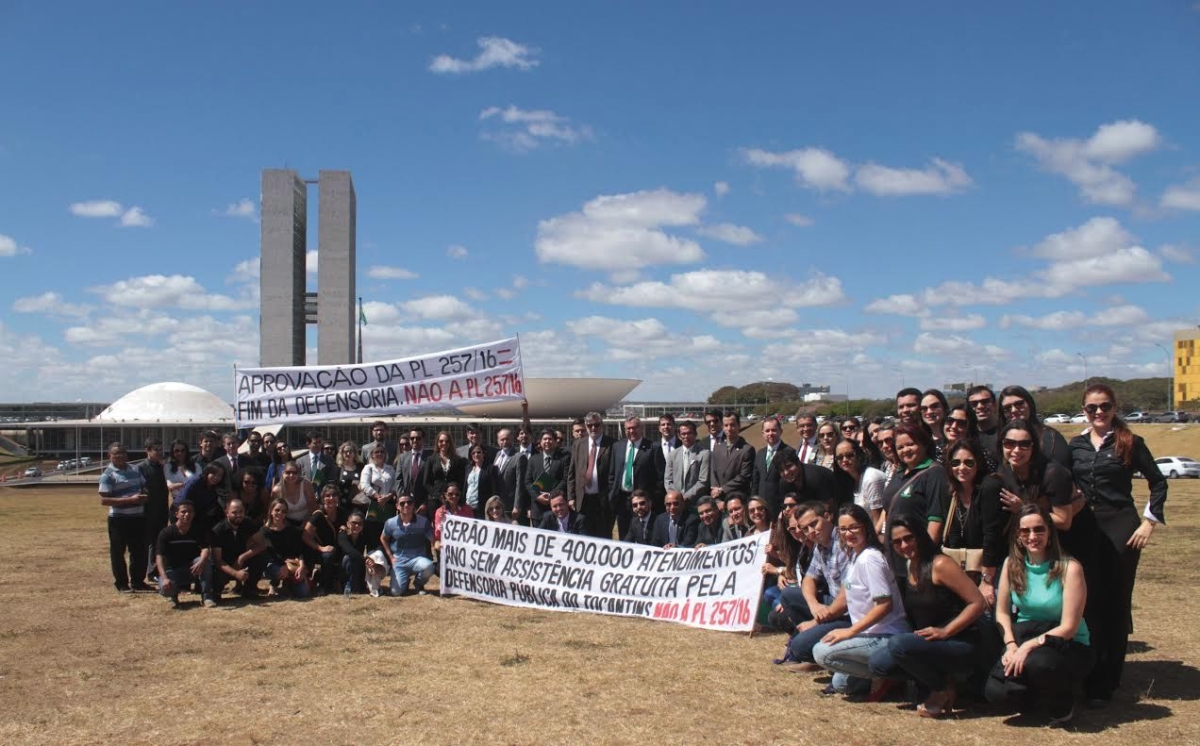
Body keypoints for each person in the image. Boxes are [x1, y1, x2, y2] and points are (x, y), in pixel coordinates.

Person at [1070, 383, 1167, 704]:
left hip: (1121, 530)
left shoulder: (1129, 442)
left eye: (1105, 406)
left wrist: (1148, 523)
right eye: (1092, 408)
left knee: (1114, 605)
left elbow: (1158, 482)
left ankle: (1107, 682)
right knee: (1087, 603)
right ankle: (1085, 673)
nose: (1099, 413)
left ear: (1115, 408)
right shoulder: (1077, 445)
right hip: (1085, 531)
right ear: (1084, 410)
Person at [985, 504, 1092, 727]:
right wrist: (1012, 645)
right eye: (1025, 531)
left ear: (1050, 532)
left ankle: (1063, 704)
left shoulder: (1069, 568)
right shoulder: (1010, 564)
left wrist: (1027, 647)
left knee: (1040, 665)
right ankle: (1036, 697)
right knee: (996, 692)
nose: (1032, 536)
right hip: (1024, 635)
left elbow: (1069, 627)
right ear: (1017, 535)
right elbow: (1002, 612)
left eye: (1039, 529)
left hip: (1065, 644)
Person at [871, 516, 987, 718]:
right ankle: (941, 680)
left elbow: (978, 602)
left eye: (909, 538)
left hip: (960, 641)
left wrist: (946, 631)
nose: (904, 545)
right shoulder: (909, 567)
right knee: (878, 663)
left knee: (899, 646)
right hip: (931, 642)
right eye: (897, 542)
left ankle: (940, 689)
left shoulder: (940, 564)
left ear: (920, 536)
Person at [980, 419, 1093, 609]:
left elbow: (1064, 521)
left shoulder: (1053, 473)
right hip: (1023, 551)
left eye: (1024, 444)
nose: (1016, 450)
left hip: (1057, 550)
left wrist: (1023, 508)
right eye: (1009, 443)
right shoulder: (1004, 473)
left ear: (1034, 447)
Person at [812, 504, 910, 697]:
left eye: (854, 527)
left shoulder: (870, 559)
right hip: (868, 635)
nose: (848, 534)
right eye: (843, 529)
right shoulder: (856, 555)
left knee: (821, 652)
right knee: (841, 684)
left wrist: (849, 632)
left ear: (865, 526)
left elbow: (884, 604)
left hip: (886, 635)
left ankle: (895, 674)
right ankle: (882, 675)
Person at [780, 502, 852, 667]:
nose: (811, 532)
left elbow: (848, 595)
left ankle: (826, 656)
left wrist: (816, 622)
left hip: (851, 614)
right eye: (805, 529)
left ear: (827, 517)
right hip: (832, 607)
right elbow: (808, 579)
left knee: (799, 646)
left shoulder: (843, 543)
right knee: (788, 594)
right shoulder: (821, 546)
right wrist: (814, 606)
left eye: (814, 524)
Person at [880, 421, 950, 564]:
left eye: (911, 444)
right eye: (900, 447)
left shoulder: (934, 472)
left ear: (923, 444)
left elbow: (936, 518)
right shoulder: (899, 472)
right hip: (895, 556)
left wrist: (923, 559)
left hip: (917, 557)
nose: (905, 450)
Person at [98, 442, 149, 592]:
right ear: (110, 456)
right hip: (119, 519)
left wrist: (145, 495)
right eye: (116, 453)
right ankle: (121, 583)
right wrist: (130, 500)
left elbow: (144, 486)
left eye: (122, 453)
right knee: (118, 553)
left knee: (139, 551)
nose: (120, 456)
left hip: (138, 517)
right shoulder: (108, 475)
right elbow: (104, 500)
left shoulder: (135, 469)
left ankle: (138, 582)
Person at [941, 439, 988, 583]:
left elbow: (992, 537)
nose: (962, 468)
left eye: (969, 463)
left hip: (984, 572)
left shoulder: (986, 491)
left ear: (978, 464)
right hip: (955, 575)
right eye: (955, 463)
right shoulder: (949, 495)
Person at [154, 500, 215, 609]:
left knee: (206, 561)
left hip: (193, 570)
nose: (187, 514)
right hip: (172, 572)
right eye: (183, 512)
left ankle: (207, 597)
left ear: (194, 514)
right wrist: (164, 578)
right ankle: (173, 598)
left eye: (190, 511)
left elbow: (206, 549)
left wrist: (201, 561)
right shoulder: (166, 533)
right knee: (165, 589)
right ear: (176, 514)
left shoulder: (198, 530)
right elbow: (159, 557)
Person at [609, 416, 662, 539]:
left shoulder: (652, 447)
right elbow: (612, 473)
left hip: (643, 502)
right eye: (628, 428)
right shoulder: (617, 446)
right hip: (622, 500)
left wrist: (652, 499)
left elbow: (660, 476)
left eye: (634, 428)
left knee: (645, 535)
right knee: (624, 535)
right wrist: (612, 492)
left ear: (641, 428)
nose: (631, 431)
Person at [999, 385, 1071, 469]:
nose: (1013, 410)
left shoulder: (1051, 438)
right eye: (1007, 408)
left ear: (1029, 404)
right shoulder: (1000, 438)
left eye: (1019, 404)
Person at [211, 498, 266, 601]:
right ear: (226, 512)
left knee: (261, 556)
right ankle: (216, 591)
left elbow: (262, 544)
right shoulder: (218, 530)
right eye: (234, 512)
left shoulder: (248, 523)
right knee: (217, 574)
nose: (239, 515)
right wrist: (235, 573)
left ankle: (249, 589)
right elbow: (218, 560)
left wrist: (243, 557)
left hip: (242, 561)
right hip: (225, 564)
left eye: (241, 512)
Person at [570, 412, 614, 537]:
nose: (593, 428)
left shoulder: (612, 444)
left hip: (603, 500)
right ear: (586, 426)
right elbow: (572, 472)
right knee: (583, 535)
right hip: (583, 499)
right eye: (590, 425)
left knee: (603, 535)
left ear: (602, 425)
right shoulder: (578, 444)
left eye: (596, 425)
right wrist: (571, 497)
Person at [381, 495, 435, 596]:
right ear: (397, 506)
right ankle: (404, 583)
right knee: (395, 592)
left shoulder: (423, 522)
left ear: (413, 505)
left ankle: (418, 584)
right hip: (399, 560)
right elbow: (383, 538)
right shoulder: (390, 522)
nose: (406, 505)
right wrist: (391, 557)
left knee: (429, 566)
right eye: (402, 503)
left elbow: (433, 539)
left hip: (417, 558)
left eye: (409, 503)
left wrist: (438, 546)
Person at [260, 498, 310, 599]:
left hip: (291, 564)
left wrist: (302, 566)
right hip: (274, 564)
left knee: (303, 594)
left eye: (283, 511)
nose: (280, 513)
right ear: (271, 511)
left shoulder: (292, 530)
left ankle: (287, 585)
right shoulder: (264, 531)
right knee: (276, 570)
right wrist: (283, 566)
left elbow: (299, 550)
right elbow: (271, 551)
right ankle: (274, 584)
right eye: (277, 510)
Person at [523, 429, 571, 529]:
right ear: (540, 442)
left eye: (550, 439)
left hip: (557, 508)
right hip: (537, 508)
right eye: (545, 439)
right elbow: (527, 481)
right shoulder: (533, 459)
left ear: (555, 441)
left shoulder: (564, 458)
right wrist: (537, 497)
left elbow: (565, 479)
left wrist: (552, 495)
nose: (547, 441)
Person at [303, 485, 347, 595]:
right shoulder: (318, 515)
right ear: (322, 499)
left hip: (339, 548)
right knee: (328, 555)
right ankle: (325, 586)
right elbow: (305, 536)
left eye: (334, 495)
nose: (331, 498)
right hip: (321, 551)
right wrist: (321, 548)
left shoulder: (343, 513)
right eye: (328, 496)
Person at [138, 437, 169, 586]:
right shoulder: (141, 468)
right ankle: (150, 573)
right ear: (148, 451)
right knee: (150, 543)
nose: (159, 452)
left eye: (160, 449)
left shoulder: (161, 467)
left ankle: (157, 571)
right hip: (147, 511)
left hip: (161, 510)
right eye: (155, 449)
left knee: (159, 542)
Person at [832, 439, 885, 525]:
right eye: (840, 457)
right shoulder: (847, 482)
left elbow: (878, 521)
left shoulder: (872, 478)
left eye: (849, 455)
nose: (844, 460)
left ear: (859, 455)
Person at [710, 412, 755, 510]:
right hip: (718, 500)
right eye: (726, 425)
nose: (729, 428)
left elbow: (744, 477)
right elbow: (713, 472)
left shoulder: (747, 449)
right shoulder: (717, 447)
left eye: (732, 425)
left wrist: (722, 489)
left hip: (737, 500)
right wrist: (716, 495)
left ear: (739, 426)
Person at [775, 450, 843, 515]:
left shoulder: (815, 477)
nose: (786, 473)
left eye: (789, 466)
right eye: (781, 470)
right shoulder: (784, 483)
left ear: (798, 463)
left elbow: (828, 506)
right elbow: (787, 507)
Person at [751, 417, 795, 516]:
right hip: (761, 509)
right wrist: (753, 502)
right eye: (767, 431)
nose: (770, 433)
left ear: (781, 431)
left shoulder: (789, 452)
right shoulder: (760, 454)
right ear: (763, 434)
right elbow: (755, 482)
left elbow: (792, 483)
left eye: (774, 430)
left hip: (781, 508)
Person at [360, 445, 398, 552]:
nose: (379, 454)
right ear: (372, 454)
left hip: (388, 506)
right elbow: (364, 485)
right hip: (374, 505)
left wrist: (388, 496)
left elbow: (395, 485)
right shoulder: (368, 468)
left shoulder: (390, 469)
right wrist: (378, 497)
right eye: (377, 452)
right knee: (373, 535)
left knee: (387, 534)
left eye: (382, 452)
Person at [665, 419, 711, 505]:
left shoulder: (704, 454)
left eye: (689, 433)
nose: (686, 436)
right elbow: (668, 480)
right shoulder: (672, 455)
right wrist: (676, 497)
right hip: (675, 503)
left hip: (695, 502)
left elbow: (703, 481)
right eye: (683, 434)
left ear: (695, 434)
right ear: (679, 436)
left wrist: (686, 497)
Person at [423, 431, 466, 520]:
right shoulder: (431, 460)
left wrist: (454, 495)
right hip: (435, 500)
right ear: (438, 443)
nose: (444, 443)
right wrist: (438, 496)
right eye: (441, 441)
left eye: (447, 441)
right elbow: (426, 482)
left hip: (453, 500)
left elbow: (461, 480)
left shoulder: (457, 460)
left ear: (450, 443)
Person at [491, 428, 526, 518]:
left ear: (513, 439)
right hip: (497, 504)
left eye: (507, 439)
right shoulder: (497, 454)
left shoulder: (519, 457)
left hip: (511, 506)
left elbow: (520, 484)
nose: (505, 441)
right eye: (502, 439)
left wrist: (517, 506)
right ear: (498, 441)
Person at [270, 461, 316, 528]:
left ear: (298, 474)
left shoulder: (306, 484)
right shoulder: (276, 491)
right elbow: (272, 512)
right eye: (288, 472)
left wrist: (306, 523)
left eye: (294, 473)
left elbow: (313, 507)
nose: (291, 475)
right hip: (286, 523)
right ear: (283, 473)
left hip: (307, 521)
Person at [433, 484, 475, 554]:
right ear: (445, 495)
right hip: (448, 544)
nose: (454, 496)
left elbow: (473, 528)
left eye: (457, 494)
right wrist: (440, 522)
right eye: (450, 494)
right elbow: (437, 535)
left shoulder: (467, 509)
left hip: (464, 543)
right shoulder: (440, 511)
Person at [464, 444, 499, 518]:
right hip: (468, 507)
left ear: (483, 453)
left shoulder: (491, 469)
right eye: (473, 453)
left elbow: (494, 489)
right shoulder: (468, 468)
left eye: (478, 452)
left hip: (483, 508)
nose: (476, 455)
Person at [339, 511, 369, 594]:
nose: (357, 525)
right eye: (354, 523)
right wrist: (364, 560)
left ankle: (358, 586)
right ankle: (347, 586)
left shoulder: (363, 537)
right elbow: (349, 550)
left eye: (360, 524)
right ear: (348, 524)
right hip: (342, 568)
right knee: (348, 558)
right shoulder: (343, 535)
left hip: (358, 566)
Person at [333, 441, 363, 512]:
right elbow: (335, 485)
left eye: (350, 451)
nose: (348, 453)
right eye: (345, 451)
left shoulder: (361, 467)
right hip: (342, 502)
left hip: (358, 502)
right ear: (342, 453)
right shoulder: (338, 468)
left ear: (355, 453)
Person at [920, 389, 950, 459]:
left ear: (944, 407)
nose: (929, 412)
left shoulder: (955, 437)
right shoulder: (922, 443)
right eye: (924, 408)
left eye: (934, 406)